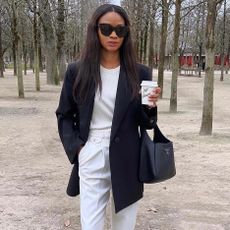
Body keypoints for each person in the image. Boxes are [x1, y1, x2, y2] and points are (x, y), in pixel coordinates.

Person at [56, 4, 161, 230]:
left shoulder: (140, 72)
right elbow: (64, 114)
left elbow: (147, 123)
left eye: (120, 30)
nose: (113, 34)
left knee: (124, 225)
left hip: (128, 157)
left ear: (126, 33)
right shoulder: (77, 71)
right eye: (106, 28)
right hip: (91, 153)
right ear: (95, 30)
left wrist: (150, 106)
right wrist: (78, 149)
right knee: (91, 224)